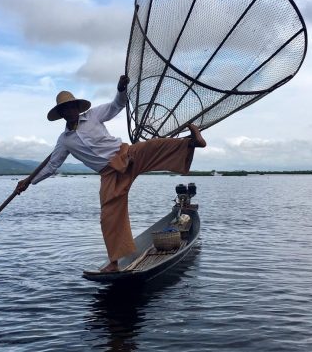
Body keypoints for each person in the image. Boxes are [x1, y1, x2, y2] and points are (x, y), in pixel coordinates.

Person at [16, 75, 206, 272]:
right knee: (109, 217)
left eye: (72, 107)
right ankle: (114, 263)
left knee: (153, 147)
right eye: (65, 109)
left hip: (125, 154)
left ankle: (192, 142)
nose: (70, 111)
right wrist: (29, 182)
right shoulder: (64, 140)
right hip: (109, 174)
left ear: (76, 107)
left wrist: (121, 89)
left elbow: (117, 105)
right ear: (62, 114)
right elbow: (51, 166)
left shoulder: (93, 115)